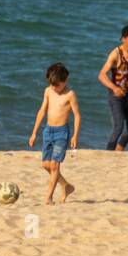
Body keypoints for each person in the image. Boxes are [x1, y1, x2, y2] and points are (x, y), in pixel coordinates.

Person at [28, 62, 80, 204]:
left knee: (55, 165)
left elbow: (77, 115)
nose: (54, 88)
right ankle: (65, 185)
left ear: (65, 80)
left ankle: (48, 198)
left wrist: (75, 135)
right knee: (46, 165)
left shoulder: (70, 95)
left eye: (57, 85)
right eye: (52, 84)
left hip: (61, 134)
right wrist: (34, 133)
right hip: (48, 131)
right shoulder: (48, 91)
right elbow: (42, 111)